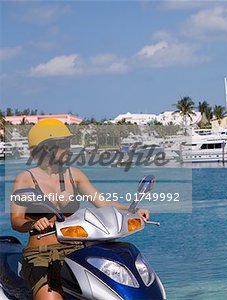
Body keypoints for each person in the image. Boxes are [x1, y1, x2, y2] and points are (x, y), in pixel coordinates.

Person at [10, 119, 149, 300]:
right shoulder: (25, 179)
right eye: (64, 144)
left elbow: (102, 202)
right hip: (42, 255)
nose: (69, 148)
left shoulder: (74, 175)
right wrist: (34, 223)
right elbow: (16, 220)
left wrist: (133, 210)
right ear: (46, 148)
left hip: (76, 248)